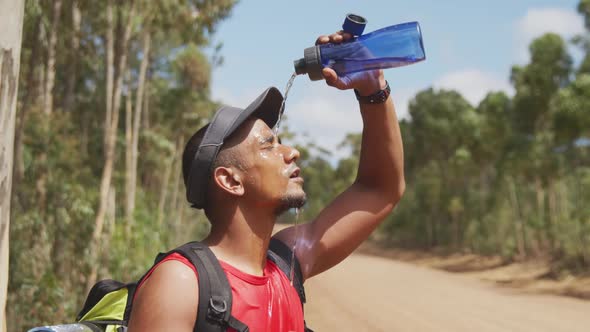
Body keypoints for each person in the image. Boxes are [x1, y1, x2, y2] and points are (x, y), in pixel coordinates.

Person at [127, 30, 405, 332]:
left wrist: (372, 88)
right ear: (230, 180)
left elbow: (380, 189)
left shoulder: (287, 263)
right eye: (268, 146)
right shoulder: (182, 283)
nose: (292, 152)